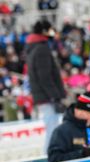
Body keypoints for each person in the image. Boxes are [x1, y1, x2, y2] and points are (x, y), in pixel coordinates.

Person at [25, 19, 66, 153]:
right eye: (50, 29)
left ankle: (51, 153)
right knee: (52, 126)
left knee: (52, 125)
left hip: (43, 95)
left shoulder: (35, 47)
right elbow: (45, 77)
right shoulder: (41, 48)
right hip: (47, 96)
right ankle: (50, 155)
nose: (53, 32)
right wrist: (55, 96)